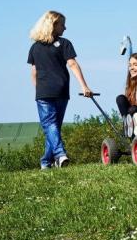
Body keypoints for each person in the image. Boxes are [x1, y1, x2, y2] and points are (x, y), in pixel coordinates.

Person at [28, 10, 92, 169]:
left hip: (46, 92)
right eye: (62, 24)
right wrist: (84, 86)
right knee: (53, 126)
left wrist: (38, 90)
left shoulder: (35, 48)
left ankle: (58, 155)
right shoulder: (64, 44)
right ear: (53, 25)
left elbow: (34, 72)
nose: (65, 28)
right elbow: (72, 64)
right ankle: (47, 162)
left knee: (51, 125)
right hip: (61, 90)